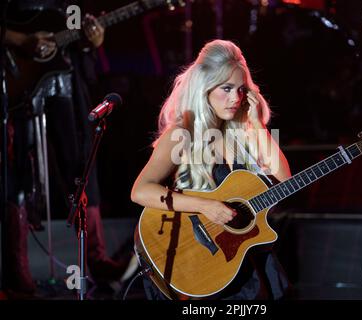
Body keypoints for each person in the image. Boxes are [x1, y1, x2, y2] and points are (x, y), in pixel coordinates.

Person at [131, 39, 292, 299]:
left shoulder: (244, 132)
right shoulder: (182, 133)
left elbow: (284, 182)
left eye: (241, 90)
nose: (235, 98)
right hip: (198, 263)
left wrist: (257, 123)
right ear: (205, 88)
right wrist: (206, 206)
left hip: (241, 259)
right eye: (226, 88)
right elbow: (140, 191)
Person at [2, 1, 128, 296]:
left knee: (82, 165)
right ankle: (14, 268)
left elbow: (82, 29)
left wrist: (92, 41)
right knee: (18, 167)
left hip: (65, 77)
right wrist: (21, 40)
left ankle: (96, 259)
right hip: (18, 76)